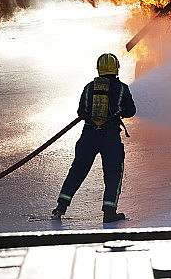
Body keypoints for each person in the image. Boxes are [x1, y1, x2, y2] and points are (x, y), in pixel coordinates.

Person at [52, 53, 136, 223]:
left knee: (77, 170)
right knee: (113, 173)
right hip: (110, 136)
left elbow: (81, 111)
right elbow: (131, 111)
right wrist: (117, 111)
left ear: (99, 69)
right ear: (116, 68)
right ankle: (109, 212)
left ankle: (61, 206)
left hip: (89, 135)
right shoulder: (122, 89)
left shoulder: (89, 87)